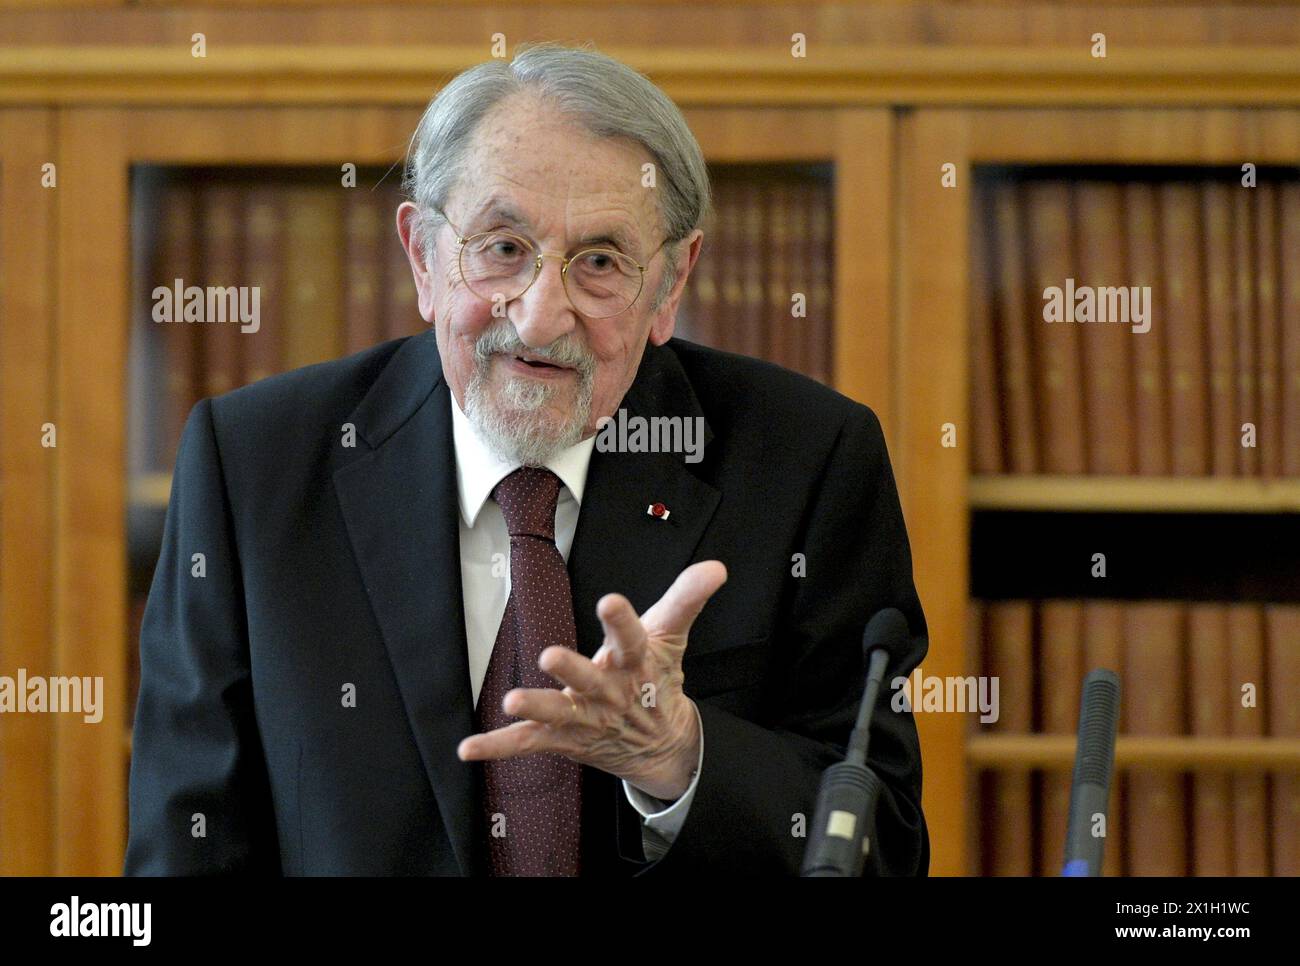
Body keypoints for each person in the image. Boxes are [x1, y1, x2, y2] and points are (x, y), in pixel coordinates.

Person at [125, 41, 929, 876]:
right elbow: (184, 848)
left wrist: (680, 757)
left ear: (671, 284)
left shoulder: (810, 462)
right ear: (423, 257)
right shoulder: (255, 465)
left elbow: (887, 845)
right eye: (502, 248)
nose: (542, 318)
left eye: (601, 264)